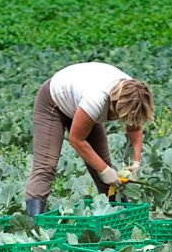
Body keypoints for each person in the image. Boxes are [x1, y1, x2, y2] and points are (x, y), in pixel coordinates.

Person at [25, 62, 154, 216]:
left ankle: (122, 219)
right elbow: (76, 140)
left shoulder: (135, 94)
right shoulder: (96, 99)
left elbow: (134, 125)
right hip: (53, 104)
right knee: (46, 165)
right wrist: (105, 170)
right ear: (115, 104)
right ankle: (33, 224)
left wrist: (136, 162)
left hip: (80, 101)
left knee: (103, 166)